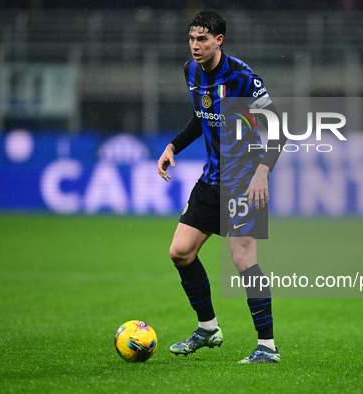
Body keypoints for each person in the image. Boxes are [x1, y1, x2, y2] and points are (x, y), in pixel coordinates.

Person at [157, 10, 286, 364]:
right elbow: (201, 117)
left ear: (219, 40)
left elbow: (277, 130)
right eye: (191, 39)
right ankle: (208, 328)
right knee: (180, 251)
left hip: (245, 182)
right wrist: (172, 147)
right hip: (212, 179)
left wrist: (262, 172)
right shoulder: (192, 72)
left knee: (244, 260)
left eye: (202, 39)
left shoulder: (243, 78)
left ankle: (268, 347)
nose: (195, 46)